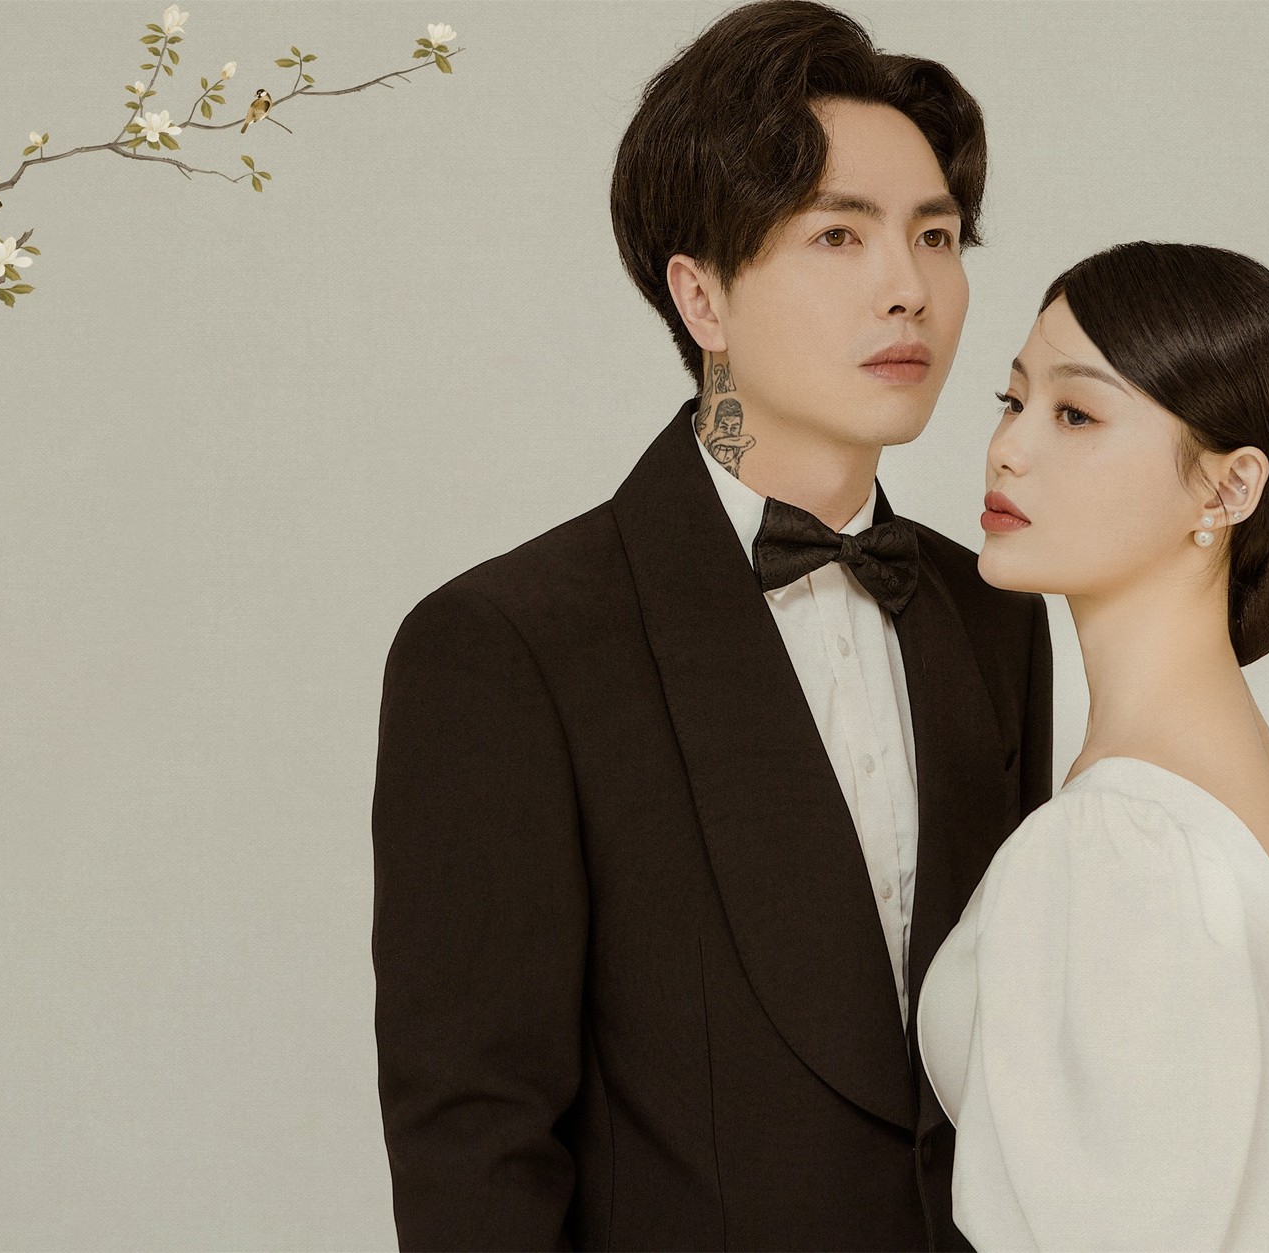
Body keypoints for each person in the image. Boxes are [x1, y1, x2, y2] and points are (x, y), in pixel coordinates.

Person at [370, 3, 1052, 1249]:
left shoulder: (990, 608)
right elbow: (473, 1143)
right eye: (837, 235)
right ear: (702, 297)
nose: (907, 288)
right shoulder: (508, 645)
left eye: (935, 235)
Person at [917, 242, 1269, 1250]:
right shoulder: (1220, 774)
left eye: (1075, 414)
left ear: (1226, 490)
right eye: (1012, 400)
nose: (1007, 448)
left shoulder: (1126, 837)